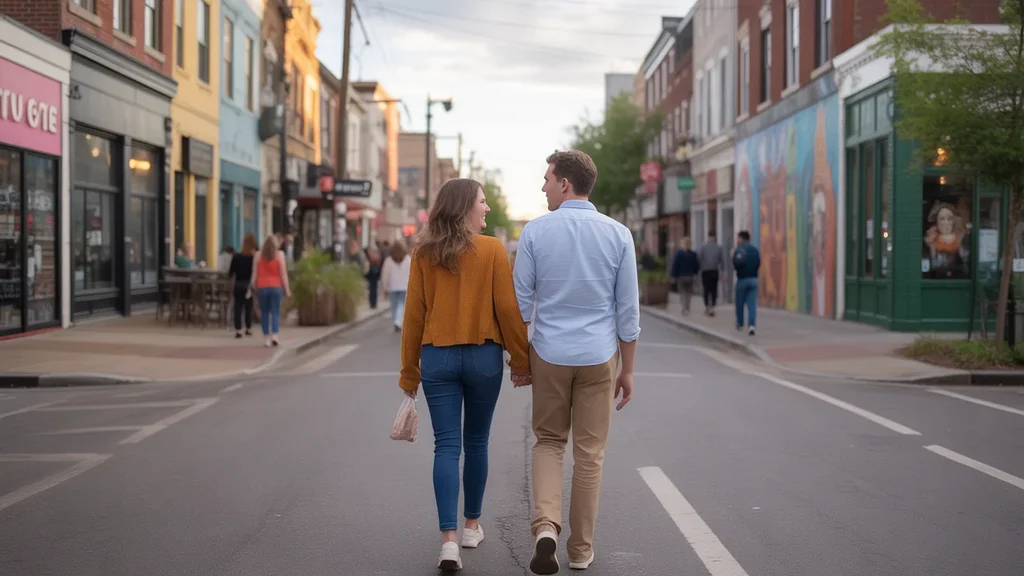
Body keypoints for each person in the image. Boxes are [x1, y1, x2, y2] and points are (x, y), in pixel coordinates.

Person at [513, 150, 640, 574]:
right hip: (599, 355)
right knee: (590, 453)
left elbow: (521, 306)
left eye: (547, 178)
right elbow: (628, 311)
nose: (543, 186)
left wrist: (520, 359)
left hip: (548, 352)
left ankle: (546, 526)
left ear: (565, 183)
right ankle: (581, 550)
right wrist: (628, 368)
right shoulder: (619, 234)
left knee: (549, 441)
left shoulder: (535, 233)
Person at [399, 178, 531, 572]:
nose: (486, 208)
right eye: (482, 202)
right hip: (483, 357)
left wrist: (410, 375)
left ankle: (449, 542)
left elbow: (413, 317)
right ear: (465, 207)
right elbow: (507, 309)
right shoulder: (492, 251)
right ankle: (472, 525)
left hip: (436, 358)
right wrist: (521, 361)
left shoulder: (424, 253)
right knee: (476, 442)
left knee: (446, 447)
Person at [251, 235, 291, 348]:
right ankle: (275, 336)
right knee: (275, 312)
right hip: (276, 286)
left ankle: (266, 338)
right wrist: (287, 289)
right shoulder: (280, 255)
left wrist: (252, 286)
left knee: (264, 313)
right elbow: (283, 274)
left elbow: (254, 274)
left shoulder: (258, 255)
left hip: (262, 287)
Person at [228, 234, 258, 339]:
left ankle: (238, 330)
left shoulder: (236, 257)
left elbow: (230, 273)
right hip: (248, 285)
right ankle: (248, 328)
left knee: (237, 307)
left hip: (238, 284)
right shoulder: (253, 258)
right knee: (248, 307)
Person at [733, 230, 761, 336]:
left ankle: (740, 324)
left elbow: (735, 264)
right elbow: (758, 263)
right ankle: (751, 326)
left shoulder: (739, 250)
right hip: (754, 279)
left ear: (741, 239)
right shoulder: (755, 250)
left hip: (742, 279)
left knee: (739, 303)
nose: (737, 240)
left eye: (738, 238)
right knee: (752, 304)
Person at [381, 241, 411, 332]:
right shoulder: (408, 260)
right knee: (402, 305)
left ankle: (396, 321)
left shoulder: (388, 261)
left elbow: (385, 275)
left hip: (393, 287)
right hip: (404, 286)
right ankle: (398, 321)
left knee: (394, 305)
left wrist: (385, 288)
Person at [670, 237, 700, 315]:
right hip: (690, 276)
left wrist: (673, 275)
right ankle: (687, 307)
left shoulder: (679, 254)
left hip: (681, 277)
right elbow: (696, 266)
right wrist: (695, 273)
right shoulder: (693, 254)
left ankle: (684, 308)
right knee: (689, 293)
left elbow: (675, 265)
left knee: (682, 292)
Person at [698, 231, 724, 316]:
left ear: (708, 237)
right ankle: (712, 306)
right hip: (714, 271)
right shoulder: (719, 247)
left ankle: (707, 306)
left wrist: (699, 270)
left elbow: (700, 260)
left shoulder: (703, 248)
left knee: (706, 289)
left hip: (705, 271)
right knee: (714, 289)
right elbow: (721, 261)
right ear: (715, 237)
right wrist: (722, 271)